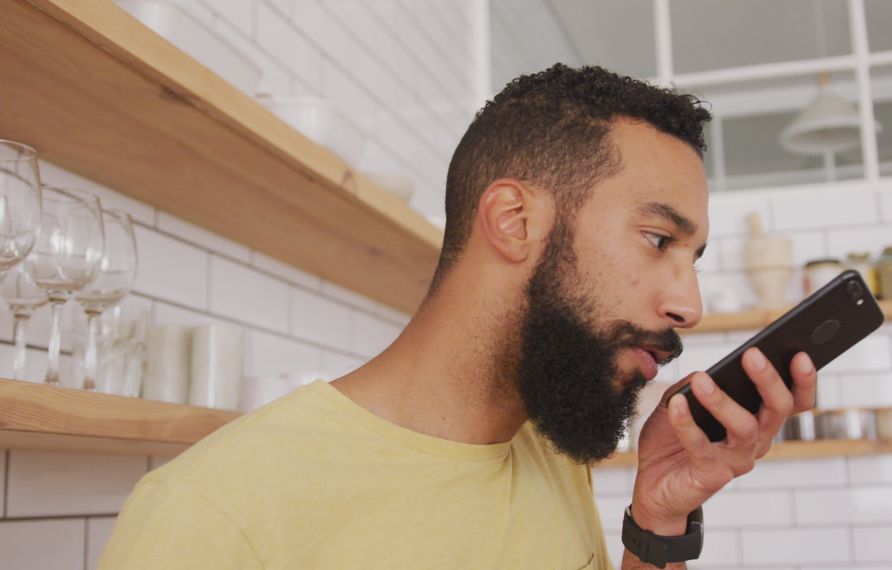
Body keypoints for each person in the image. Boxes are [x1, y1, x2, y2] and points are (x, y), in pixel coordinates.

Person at [100, 64, 816, 569]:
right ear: (513, 220)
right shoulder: (212, 512)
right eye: (659, 240)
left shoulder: (550, 456)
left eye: (692, 258)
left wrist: (658, 522)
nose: (687, 305)